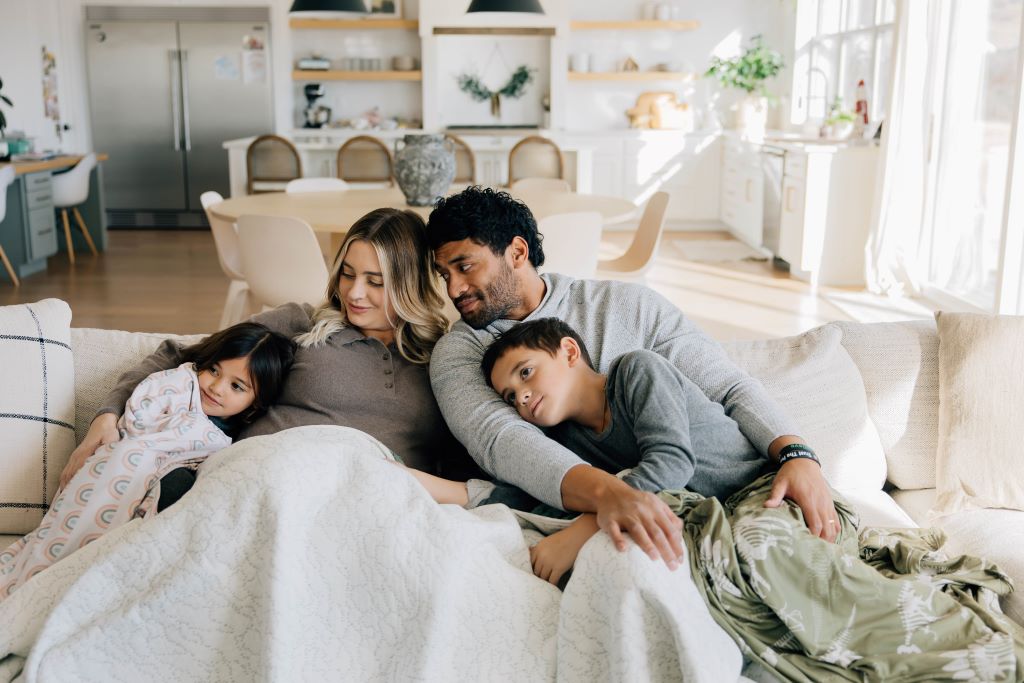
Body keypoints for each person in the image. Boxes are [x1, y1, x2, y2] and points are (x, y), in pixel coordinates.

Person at [426, 186, 839, 571]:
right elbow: (503, 444)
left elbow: (726, 385)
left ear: (516, 252)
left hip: (730, 491)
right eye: (444, 275)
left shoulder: (626, 307)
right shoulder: (459, 353)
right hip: (642, 520)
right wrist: (606, 504)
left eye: (464, 267)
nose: (454, 289)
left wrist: (796, 454)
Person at [60, 208, 467, 506]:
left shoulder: (443, 357)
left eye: (375, 282)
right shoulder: (301, 323)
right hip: (257, 483)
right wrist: (107, 415)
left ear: (410, 283)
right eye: (347, 273)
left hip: (363, 502)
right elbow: (180, 354)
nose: (354, 293)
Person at [479, 317, 794, 586]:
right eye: (510, 397)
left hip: (761, 494)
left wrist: (585, 529)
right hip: (708, 521)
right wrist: (443, 489)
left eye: (525, 373)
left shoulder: (637, 370)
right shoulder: (564, 440)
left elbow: (672, 461)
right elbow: (534, 495)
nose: (522, 396)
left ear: (569, 351)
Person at [0, 322, 297, 599]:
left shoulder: (231, 441)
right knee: (126, 462)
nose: (216, 387)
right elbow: (139, 417)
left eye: (237, 386)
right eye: (215, 371)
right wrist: (175, 432)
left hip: (151, 494)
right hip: (121, 463)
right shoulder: (180, 383)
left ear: (256, 401)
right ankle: (43, 577)